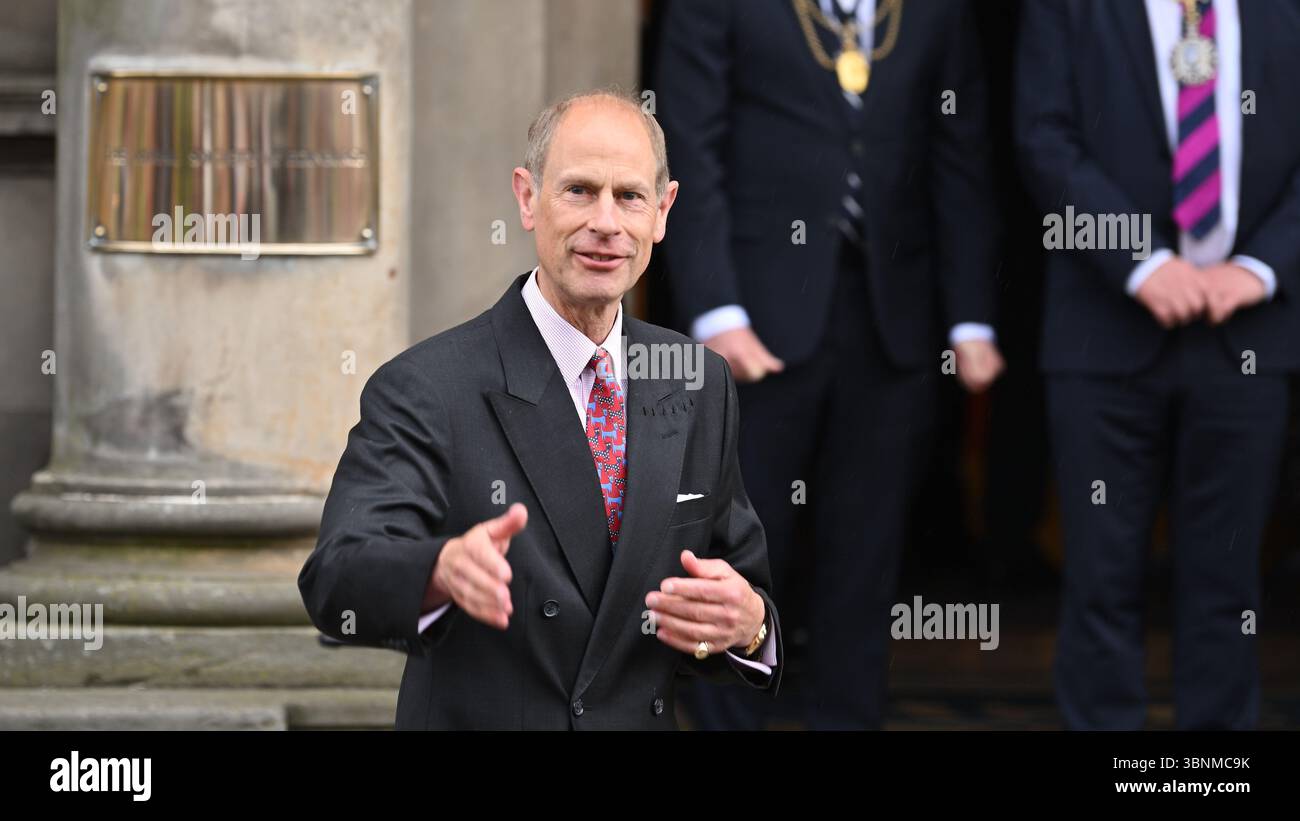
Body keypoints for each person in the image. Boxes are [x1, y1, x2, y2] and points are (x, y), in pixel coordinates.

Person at [299, 89, 782, 730]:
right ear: (528, 199)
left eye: (630, 196)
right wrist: (438, 570)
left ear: (663, 212)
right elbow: (337, 578)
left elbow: (735, 591)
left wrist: (750, 629)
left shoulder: (698, 381)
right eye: (579, 191)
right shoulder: (427, 387)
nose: (606, 222)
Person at [655, 0, 1003, 729]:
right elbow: (687, 142)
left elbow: (959, 155)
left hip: (892, 317)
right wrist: (716, 309)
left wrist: (970, 316)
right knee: (741, 554)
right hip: (756, 315)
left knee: (865, 561)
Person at [1017, 0, 1300, 729]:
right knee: (1101, 581)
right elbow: (1044, 136)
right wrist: (1138, 262)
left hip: (1251, 334)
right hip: (1103, 331)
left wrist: (1264, 267)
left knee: (1228, 585)